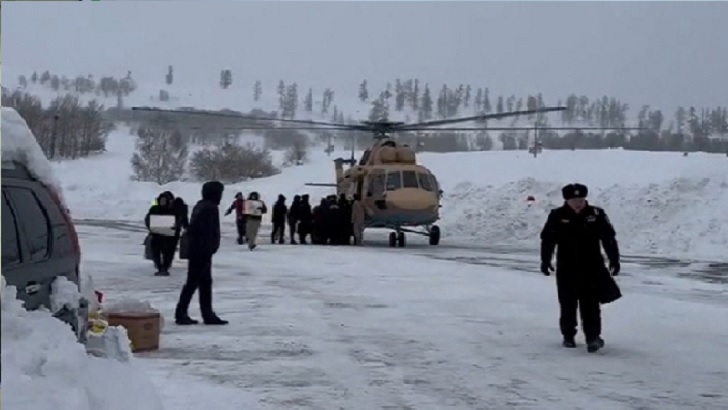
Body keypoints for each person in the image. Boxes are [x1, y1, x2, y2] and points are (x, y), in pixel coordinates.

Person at [540, 183, 620, 353]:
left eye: (581, 199)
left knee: (591, 304)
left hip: (592, 267)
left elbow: (608, 238)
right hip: (567, 268)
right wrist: (545, 261)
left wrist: (614, 260)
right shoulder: (557, 215)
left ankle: (593, 338)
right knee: (568, 303)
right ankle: (568, 336)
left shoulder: (596, 214)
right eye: (574, 200)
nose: (578, 203)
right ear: (567, 200)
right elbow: (548, 240)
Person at [174, 181, 228, 325]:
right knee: (194, 283)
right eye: (219, 193)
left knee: (203, 283)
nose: (221, 197)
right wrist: (208, 249)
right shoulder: (210, 208)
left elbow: (193, 229)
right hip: (202, 251)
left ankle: (206, 313)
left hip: (198, 250)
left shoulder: (201, 205)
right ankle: (183, 313)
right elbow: (206, 232)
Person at [144, 191, 178, 276]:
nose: (163, 202)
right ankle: (159, 267)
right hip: (157, 235)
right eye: (161, 200)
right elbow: (148, 218)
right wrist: (151, 228)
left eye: (165, 200)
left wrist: (175, 227)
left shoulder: (174, 209)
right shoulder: (155, 208)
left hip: (169, 237)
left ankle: (165, 268)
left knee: (168, 253)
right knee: (156, 252)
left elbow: (179, 220)